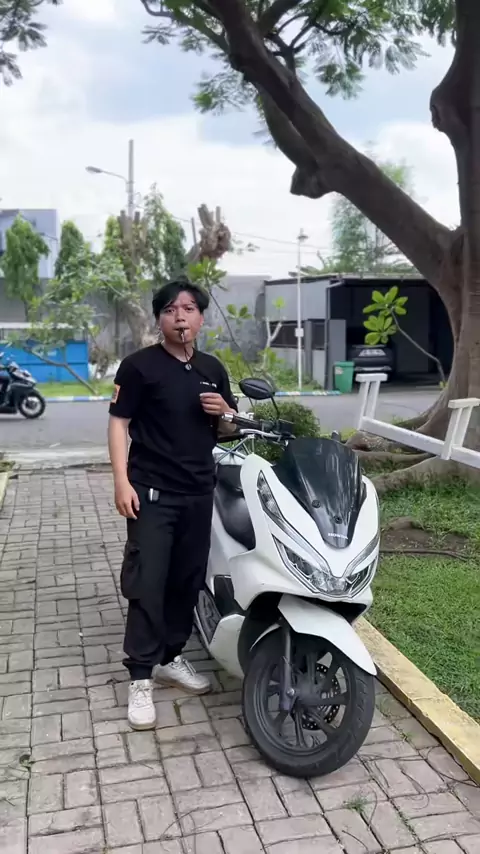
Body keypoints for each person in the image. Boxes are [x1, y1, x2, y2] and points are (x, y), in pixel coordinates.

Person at [108, 279, 237, 730]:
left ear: (201, 318)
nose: (179, 316)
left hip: (199, 494)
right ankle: (140, 677)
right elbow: (118, 423)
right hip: (152, 495)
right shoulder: (139, 367)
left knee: (186, 581)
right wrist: (121, 482)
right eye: (169, 309)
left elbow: (229, 429)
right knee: (148, 582)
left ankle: (170, 657)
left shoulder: (212, 368)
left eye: (188, 309)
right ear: (160, 319)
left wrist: (225, 413)